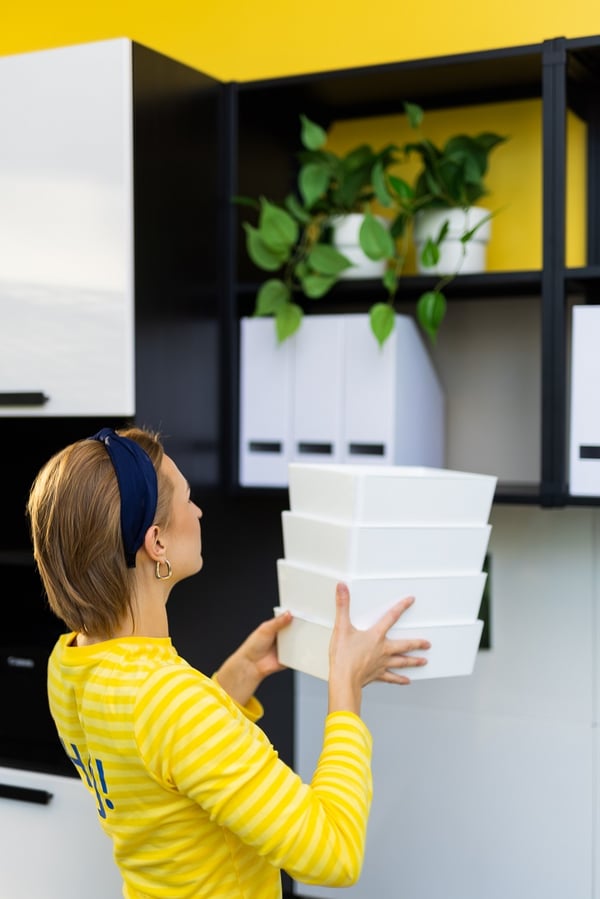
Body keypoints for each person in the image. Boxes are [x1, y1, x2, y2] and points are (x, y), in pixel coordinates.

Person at [27, 426, 430, 899]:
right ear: (156, 543)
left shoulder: (69, 664)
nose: (197, 512)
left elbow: (161, 774)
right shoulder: (172, 701)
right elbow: (334, 853)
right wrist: (346, 689)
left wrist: (235, 680)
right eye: (188, 499)